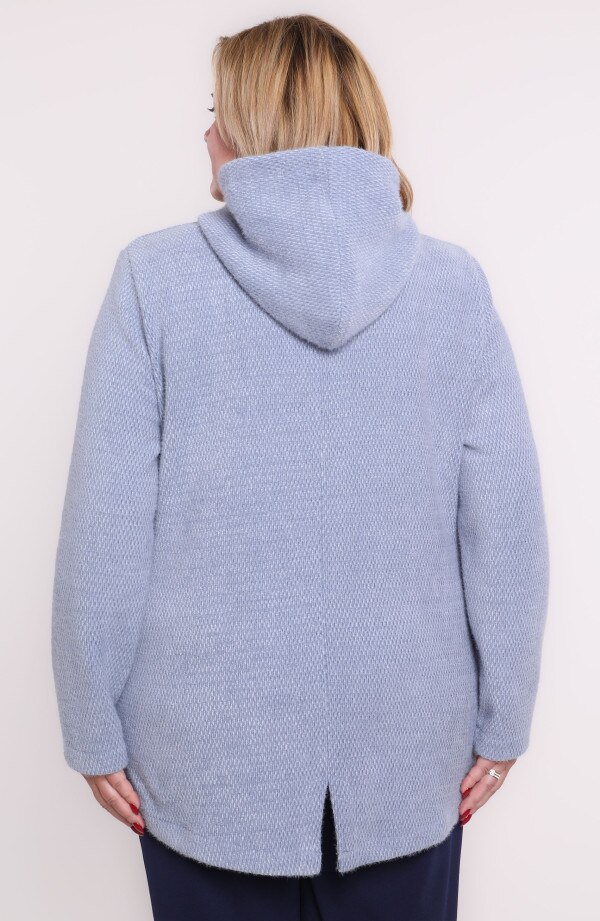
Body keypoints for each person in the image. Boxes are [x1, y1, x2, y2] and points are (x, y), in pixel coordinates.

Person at [51, 13, 550, 921]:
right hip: (410, 759)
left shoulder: (154, 280)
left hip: (204, 766)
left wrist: (91, 723)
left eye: (218, 110)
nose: (207, 133)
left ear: (252, 123)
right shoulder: (454, 287)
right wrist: (504, 716)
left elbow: (106, 528)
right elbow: (505, 527)